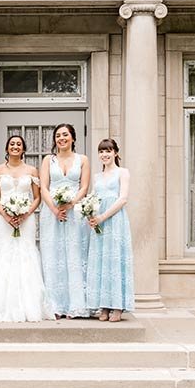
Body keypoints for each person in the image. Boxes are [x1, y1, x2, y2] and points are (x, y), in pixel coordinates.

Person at [0, 135, 53, 322]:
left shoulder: (31, 170)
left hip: (26, 219)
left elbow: (37, 197)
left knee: (26, 253)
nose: (15, 146)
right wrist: (5, 215)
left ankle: (30, 304)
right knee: (4, 253)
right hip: (3, 220)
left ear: (23, 149)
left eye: (19, 144)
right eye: (12, 144)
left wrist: (26, 213)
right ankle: (1, 305)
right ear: (7, 148)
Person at [40, 123, 90, 319]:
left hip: (75, 212)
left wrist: (70, 205)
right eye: (58, 135)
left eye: (65, 135)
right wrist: (54, 209)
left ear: (73, 138)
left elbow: (84, 187)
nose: (61, 138)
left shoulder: (83, 160)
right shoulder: (48, 160)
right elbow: (44, 187)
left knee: (74, 255)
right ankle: (55, 305)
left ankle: (75, 305)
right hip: (51, 212)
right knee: (53, 256)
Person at [86, 138, 135, 321]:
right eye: (101, 151)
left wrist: (102, 217)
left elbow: (123, 199)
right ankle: (104, 305)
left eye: (108, 151)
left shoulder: (123, 172)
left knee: (115, 261)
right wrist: (89, 214)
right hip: (99, 223)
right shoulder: (97, 177)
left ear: (115, 152)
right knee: (101, 262)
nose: (104, 154)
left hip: (115, 221)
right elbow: (93, 198)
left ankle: (118, 306)